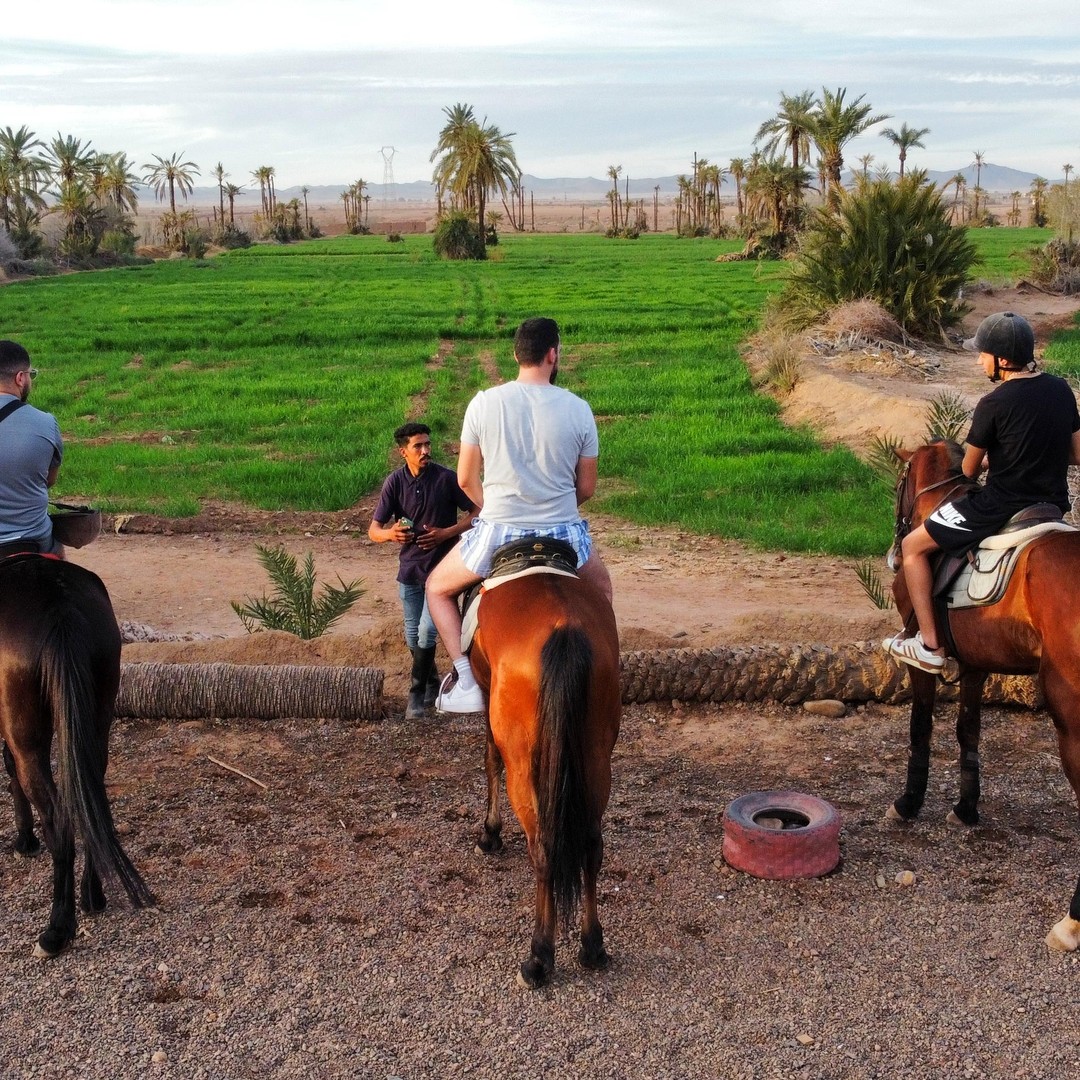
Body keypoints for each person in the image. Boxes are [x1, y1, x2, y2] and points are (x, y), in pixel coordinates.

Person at [426, 316, 614, 713]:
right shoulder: (579, 409)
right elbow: (587, 488)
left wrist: (495, 507)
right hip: (563, 532)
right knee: (602, 590)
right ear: (553, 354)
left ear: (515, 355)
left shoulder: (484, 403)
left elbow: (465, 479)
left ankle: (465, 680)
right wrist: (554, 508)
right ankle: (604, 674)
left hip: (499, 531)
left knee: (437, 589)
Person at [886, 311, 1080, 673]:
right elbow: (1077, 454)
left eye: (983, 354)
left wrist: (995, 459)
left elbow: (968, 470)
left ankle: (929, 645)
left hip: (999, 506)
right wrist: (1030, 452)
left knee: (912, 546)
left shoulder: (994, 404)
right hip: (1050, 507)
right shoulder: (1060, 390)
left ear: (1002, 360)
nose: (979, 361)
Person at [369, 422, 477, 719]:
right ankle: (431, 683)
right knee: (411, 634)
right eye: (418, 446)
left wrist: (446, 534)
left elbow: (478, 513)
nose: (426, 450)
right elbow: (373, 530)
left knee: (427, 631)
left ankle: (415, 696)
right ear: (403, 452)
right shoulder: (394, 482)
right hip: (409, 571)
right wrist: (391, 534)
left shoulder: (446, 478)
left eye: (427, 444)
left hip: (442, 572)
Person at [0, 340, 63, 556]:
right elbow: (49, 480)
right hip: (31, 541)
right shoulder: (46, 423)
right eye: (30, 375)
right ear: (20, 378)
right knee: (58, 552)